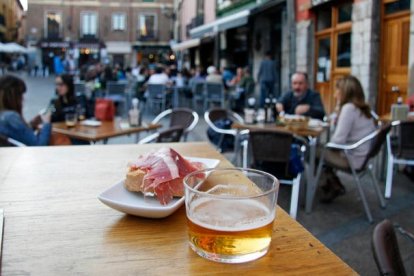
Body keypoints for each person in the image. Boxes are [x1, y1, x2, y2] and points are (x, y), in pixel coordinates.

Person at [320, 75, 376, 203]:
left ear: (345, 92)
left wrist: (325, 145)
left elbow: (337, 141)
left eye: (337, 90)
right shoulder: (361, 108)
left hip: (353, 159)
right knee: (323, 152)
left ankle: (330, 183)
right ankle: (332, 182)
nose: (334, 95)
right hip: (363, 157)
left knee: (313, 151)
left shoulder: (349, 109)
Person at [0, 75, 51, 146]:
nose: (23, 99)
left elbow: (17, 135)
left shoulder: (3, 116)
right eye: (21, 95)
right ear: (13, 97)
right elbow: (39, 145)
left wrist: (31, 125)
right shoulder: (11, 117)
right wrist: (46, 123)